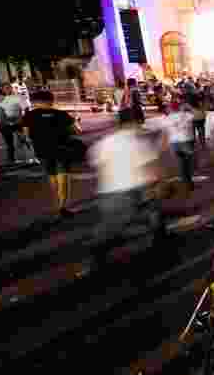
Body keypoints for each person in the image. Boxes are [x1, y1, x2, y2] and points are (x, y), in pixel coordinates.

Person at [86, 109, 166, 269]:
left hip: (109, 191)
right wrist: (160, 184)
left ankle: (98, 256)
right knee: (151, 218)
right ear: (135, 123)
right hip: (137, 188)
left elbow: (97, 165)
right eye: (140, 123)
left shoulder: (104, 143)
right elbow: (152, 168)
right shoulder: (138, 142)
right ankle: (157, 252)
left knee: (110, 226)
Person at [21, 90, 79, 217]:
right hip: (62, 149)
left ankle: (58, 202)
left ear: (35, 101)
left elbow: (26, 136)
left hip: (42, 150)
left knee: (52, 176)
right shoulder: (62, 114)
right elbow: (77, 130)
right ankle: (62, 206)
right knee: (63, 177)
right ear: (51, 100)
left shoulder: (28, 116)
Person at [161, 100, 198, 192]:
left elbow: (164, 131)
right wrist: (189, 107)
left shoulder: (167, 118)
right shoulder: (187, 115)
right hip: (186, 141)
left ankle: (186, 182)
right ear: (179, 107)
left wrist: (164, 144)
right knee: (189, 163)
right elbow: (198, 114)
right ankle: (188, 182)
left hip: (174, 143)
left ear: (170, 108)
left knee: (181, 163)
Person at [0, 83, 31, 164]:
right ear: (1, 89)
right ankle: (11, 160)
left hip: (18, 122)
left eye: (9, 87)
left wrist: (24, 119)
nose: (8, 89)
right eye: (5, 88)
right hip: (4, 124)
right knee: (9, 143)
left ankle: (29, 157)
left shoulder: (19, 97)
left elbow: (26, 108)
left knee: (24, 140)